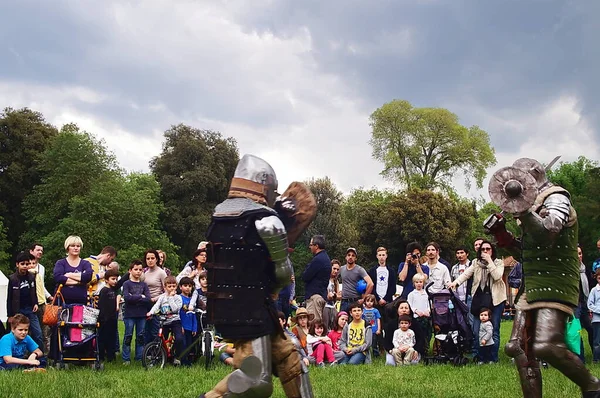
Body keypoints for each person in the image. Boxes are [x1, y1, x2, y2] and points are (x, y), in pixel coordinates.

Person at [199, 154, 314, 398]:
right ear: (267, 188)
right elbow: (283, 275)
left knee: (291, 359)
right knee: (256, 382)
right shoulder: (268, 222)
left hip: (228, 306)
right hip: (251, 309)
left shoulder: (220, 217)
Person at [487, 157, 600, 397]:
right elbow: (527, 252)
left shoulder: (556, 198)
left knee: (546, 346)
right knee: (516, 347)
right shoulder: (532, 206)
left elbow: (549, 231)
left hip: (556, 283)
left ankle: (592, 385)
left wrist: (524, 209)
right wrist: (501, 234)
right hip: (533, 284)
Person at [448, 240, 506, 362]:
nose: (485, 251)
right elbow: (466, 275)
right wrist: (455, 283)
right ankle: (480, 357)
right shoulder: (475, 263)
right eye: (483, 249)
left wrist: (489, 261)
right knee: (476, 329)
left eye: (488, 249)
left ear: (492, 250)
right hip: (479, 299)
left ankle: (493, 358)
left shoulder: (499, 262)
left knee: (494, 329)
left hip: (496, 299)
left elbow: (497, 276)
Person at [7, 252, 42, 349]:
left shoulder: (31, 276)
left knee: (37, 333)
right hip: (17, 310)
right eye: (22, 264)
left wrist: (35, 303)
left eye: (27, 264)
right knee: (15, 333)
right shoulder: (13, 278)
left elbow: (34, 291)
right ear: (17, 264)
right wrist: (9, 315)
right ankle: (12, 354)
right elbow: (9, 298)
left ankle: (40, 356)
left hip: (30, 308)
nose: (25, 266)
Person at [146, 275, 184, 365]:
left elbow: (175, 309)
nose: (171, 288)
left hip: (175, 321)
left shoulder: (178, 298)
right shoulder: (162, 297)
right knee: (159, 338)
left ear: (176, 286)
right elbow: (156, 306)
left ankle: (176, 356)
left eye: (173, 286)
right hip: (164, 321)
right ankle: (160, 355)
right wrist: (151, 312)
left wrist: (171, 298)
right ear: (165, 287)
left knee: (179, 339)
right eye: (169, 286)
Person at [121, 260, 151, 364]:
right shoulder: (126, 284)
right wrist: (140, 296)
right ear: (130, 270)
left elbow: (148, 298)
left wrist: (134, 297)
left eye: (140, 270)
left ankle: (139, 357)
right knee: (128, 336)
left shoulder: (144, 285)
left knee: (140, 336)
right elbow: (126, 298)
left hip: (141, 314)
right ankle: (126, 358)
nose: (138, 272)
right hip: (130, 314)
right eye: (136, 269)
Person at [382, 300, 425, 366]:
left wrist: (416, 350)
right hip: (395, 350)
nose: (404, 310)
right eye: (401, 308)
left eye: (406, 308)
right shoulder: (391, 324)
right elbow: (386, 340)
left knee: (414, 363)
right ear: (397, 310)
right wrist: (390, 350)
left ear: (409, 310)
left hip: (411, 350)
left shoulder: (415, 323)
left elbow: (420, 339)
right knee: (390, 363)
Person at [53, 235, 93, 305]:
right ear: (67, 247)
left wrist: (69, 275)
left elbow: (88, 277)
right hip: (62, 302)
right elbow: (58, 277)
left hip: (80, 302)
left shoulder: (85, 263)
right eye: (73, 246)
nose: (76, 248)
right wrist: (80, 282)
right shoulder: (60, 263)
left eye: (78, 246)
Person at [27, 243, 51, 355]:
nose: (40, 252)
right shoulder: (25, 267)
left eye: (41, 250)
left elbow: (42, 285)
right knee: (32, 329)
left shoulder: (41, 268)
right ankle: (30, 353)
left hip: (42, 302)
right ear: (31, 251)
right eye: (38, 250)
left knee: (44, 330)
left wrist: (49, 297)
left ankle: (45, 354)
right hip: (31, 303)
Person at [302, 235, 331, 322]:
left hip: (314, 297)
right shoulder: (326, 258)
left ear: (316, 246)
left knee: (314, 324)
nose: (309, 247)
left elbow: (306, 276)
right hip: (321, 295)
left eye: (311, 245)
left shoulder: (318, 260)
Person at [142, 249, 166, 343]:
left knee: (155, 330)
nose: (150, 260)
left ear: (157, 259)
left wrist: (155, 299)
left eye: (152, 258)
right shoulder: (144, 273)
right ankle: (146, 352)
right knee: (145, 329)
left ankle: (156, 352)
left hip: (156, 304)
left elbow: (166, 291)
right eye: (148, 258)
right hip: (145, 303)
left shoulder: (161, 272)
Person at [340, 248, 373, 313]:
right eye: (349, 255)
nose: (350, 257)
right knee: (342, 321)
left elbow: (370, 284)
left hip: (355, 301)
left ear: (355, 258)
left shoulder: (359, 270)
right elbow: (333, 277)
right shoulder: (341, 269)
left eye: (353, 255)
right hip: (344, 301)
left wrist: (364, 299)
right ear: (346, 257)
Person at [97, 268, 119, 362]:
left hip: (112, 318)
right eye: (113, 279)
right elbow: (102, 305)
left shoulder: (114, 290)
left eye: (116, 279)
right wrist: (103, 318)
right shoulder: (104, 291)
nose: (115, 281)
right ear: (106, 280)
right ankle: (101, 356)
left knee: (112, 337)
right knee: (102, 338)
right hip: (104, 319)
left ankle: (111, 356)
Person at [407, 273, 431, 351]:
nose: (419, 284)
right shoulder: (411, 294)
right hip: (416, 318)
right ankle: (417, 350)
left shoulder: (426, 294)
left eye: (420, 282)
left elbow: (429, 305)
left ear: (423, 283)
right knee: (418, 334)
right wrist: (416, 311)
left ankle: (425, 349)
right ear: (414, 283)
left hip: (426, 317)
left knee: (427, 334)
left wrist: (428, 311)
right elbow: (410, 305)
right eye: (417, 282)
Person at [579, 245, 594, 361]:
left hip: (586, 303)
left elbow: (591, 286)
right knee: (576, 332)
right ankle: (580, 358)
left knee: (591, 328)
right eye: (577, 253)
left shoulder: (586, 270)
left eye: (580, 253)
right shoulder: (570, 271)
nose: (579, 256)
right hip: (575, 304)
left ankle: (596, 355)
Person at [179, 276, 198, 365]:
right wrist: (180, 326)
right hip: (183, 326)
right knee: (183, 344)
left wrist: (194, 328)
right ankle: (182, 361)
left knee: (189, 345)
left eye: (189, 286)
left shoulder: (192, 301)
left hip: (190, 327)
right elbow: (178, 314)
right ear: (180, 287)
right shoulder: (179, 299)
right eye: (185, 285)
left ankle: (188, 361)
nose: (187, 288)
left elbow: (194, 315)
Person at [322, 260, 341, 331]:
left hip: (333, 306)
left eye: (337, 269)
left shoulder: (336, 281)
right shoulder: (325, 279)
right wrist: (333, 295)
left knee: (334, 327)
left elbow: (339, 296)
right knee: (325, 327)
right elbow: (326, 295)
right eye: (334, 268)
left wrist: (335, 296)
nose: (336, 271)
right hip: (325, 306)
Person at [587, 270, 600, 363]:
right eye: (599, 278)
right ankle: (596, 359)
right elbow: (590, 304)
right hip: (597, 319)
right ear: (596, 278)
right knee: (597, 341)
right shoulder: (594, 290)